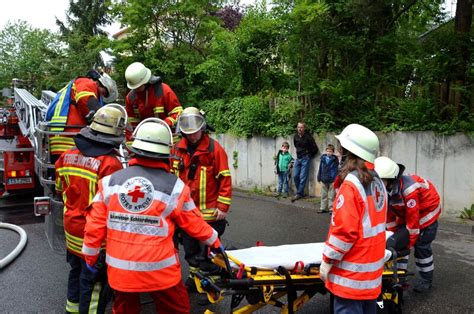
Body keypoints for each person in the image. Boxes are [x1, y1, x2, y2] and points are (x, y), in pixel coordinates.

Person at [81, 117, 223, 314]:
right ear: (166, 153)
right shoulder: (175, 187)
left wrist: (89, 259)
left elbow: (93, 227)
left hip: (121, 272)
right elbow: (194, 223)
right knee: (177, 308)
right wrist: (215, 242)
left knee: (124, 309)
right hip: (161, 273)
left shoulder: (109, 183)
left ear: (135, 149)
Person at [55, 104, 127, 313]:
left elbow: (60, 190)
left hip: (71, 230)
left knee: (76, 272)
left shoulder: (66, 155)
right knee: (94, 284)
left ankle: (72, 309)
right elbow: (115, 206)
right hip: (95, 237)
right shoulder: (109, 163)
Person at [320, 124, 387, 314]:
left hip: (350, 277)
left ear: (348, 152)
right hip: (371, 276)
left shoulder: (351, 184)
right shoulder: (377, 182)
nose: (339, 153)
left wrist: (327, 261)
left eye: (342, 148)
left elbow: (344, 233)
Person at [171, 107, 232, 295]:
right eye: (188, 133)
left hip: (210, 214)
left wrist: (222, 206)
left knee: (207, 252)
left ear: (202, 128)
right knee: (189, 249)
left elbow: (224, 178)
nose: (192, 136)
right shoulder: (177, 149)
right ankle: (195, 278)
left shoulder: (214, 149)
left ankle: (211, 285)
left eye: (195, 131)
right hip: (186, 213)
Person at [374, 156, 442, 293]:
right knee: (398, 243)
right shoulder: (385, 188)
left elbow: (413, 222)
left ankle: (426, 280)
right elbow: (389, 216)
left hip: (427, 213)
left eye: (381, 180)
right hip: (408, 214)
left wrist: (409, 243)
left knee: (421, 247)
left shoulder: (409, 189)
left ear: (391, 179)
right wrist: (394, 236)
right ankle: (399, 277)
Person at [47, 71, 118, 157]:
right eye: (104, 92)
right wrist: (105, 120)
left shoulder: (71, 88)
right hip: (70, 139)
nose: (101, 96)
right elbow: (86, 100)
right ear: (99, 83)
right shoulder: (86, 82)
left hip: (60, 138)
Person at [124, 62, 183, 136]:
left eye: (138, 87)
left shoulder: (163, 91)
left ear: (145, 82)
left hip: (167, 136)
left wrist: (165, 124)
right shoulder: (131, 98)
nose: (136, 89)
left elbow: (177, 113)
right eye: (134, 87)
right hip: (144, 137)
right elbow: (131, 125)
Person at [292, 122, 318, 201]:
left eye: (301, 127)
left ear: (304, 128)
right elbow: (296, 146)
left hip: (306, 158)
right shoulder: (295, 136)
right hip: (298, 158)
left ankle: (299, 193)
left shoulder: (308, 137)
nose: (299, 129)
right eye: (298, 127)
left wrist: (309, 155)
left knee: (303, 177)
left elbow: (315, 148)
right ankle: (301, 192)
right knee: (295, 176)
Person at [317, 144, 339, 213]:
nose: (328, 153)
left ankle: (331, 208)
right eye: (327, 151)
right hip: (324, 178)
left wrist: (335, 178)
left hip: (332, 179)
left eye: (330, 151)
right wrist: (319, 176)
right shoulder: (323, 159)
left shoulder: (335, 160)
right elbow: (320, 168)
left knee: (331, 195)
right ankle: (322, 208)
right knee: (323, 194)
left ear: (333, 152)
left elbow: (336, 170)